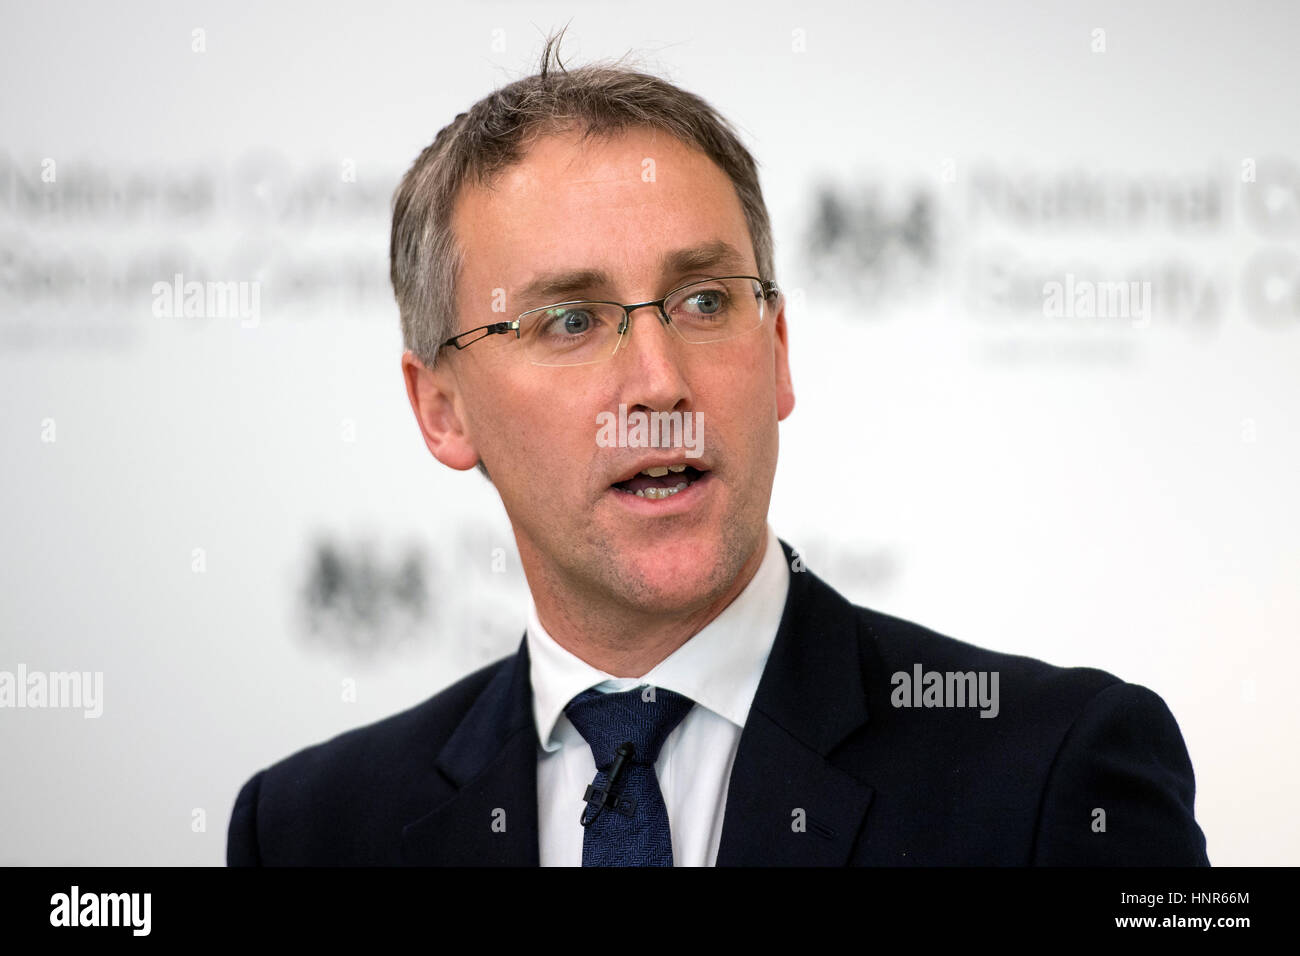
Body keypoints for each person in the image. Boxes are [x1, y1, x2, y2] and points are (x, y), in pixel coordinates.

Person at [226, 32, 1210, 867]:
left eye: (704, 301)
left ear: (775, 352)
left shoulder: (1051, 772)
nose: (658, 380)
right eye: (570, 319)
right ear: (441, 408)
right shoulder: (311, 829)